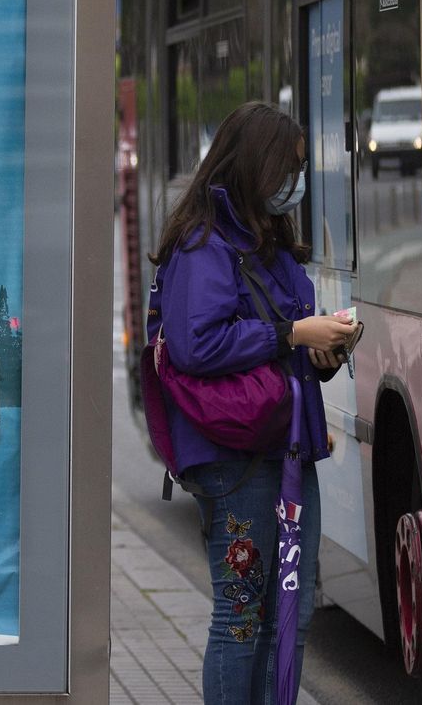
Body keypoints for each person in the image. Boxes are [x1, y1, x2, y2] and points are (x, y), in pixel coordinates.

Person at [147, 102, 357, 705]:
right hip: (235, 457)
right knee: (242, 618)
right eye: (286, 170)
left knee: (289, 613)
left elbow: (285, 330)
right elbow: (195, 344)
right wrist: (292, 336)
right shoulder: (203, 244)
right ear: (256, 168)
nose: (294, 185)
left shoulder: (267, 240)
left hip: (285, 449)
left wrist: (324, 350)